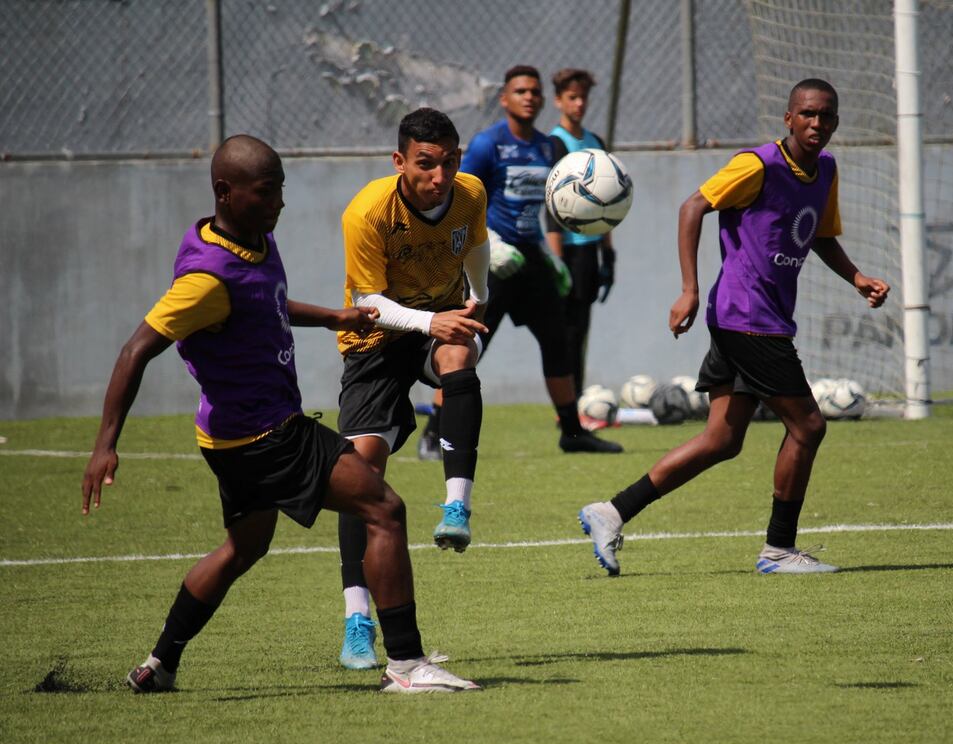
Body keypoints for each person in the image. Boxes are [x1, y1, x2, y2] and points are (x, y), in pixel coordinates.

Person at [81, 134, 479, 694]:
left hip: (226, 439)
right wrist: (105, 444)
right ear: (225, 191)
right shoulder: (205, 279)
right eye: (266, 192)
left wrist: (334, 317)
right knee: (385, 509)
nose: (279, 204)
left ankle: (159, 664)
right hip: (267, 435)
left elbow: (263, 302)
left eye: (281, 190)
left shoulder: (251, 240)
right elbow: (135, 350)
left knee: (243, 548)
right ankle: (408, 665)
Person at [578, 79, 890, 576]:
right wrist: (689, 289)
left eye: (826, 115)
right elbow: (692, 207)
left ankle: (611, 511)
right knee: (808, 426)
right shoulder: (757, 165)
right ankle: (779, 549)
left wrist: (856, 278)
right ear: (788, 118)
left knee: (722, 439)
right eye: (807, 114)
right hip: (748, 319)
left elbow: (819, 235)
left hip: (754, 319)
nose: (816, 123)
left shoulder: (825, 170)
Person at [333, 108, 491, 670]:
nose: (439, 176)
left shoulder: (471, 193)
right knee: (361, 473)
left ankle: (457, 507)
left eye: (449, 162)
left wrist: (478, 299)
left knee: (459, 355)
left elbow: (475, 244)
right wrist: (432, 321)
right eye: (426, 164)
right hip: (373, 342)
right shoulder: (368, 212)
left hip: (438, 325)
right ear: (400, 161)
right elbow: (368, 303)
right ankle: (357, 621)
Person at [418, 64, 622, 457]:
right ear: (504, 98)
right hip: (492, 261)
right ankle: (433, 432)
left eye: (534, 91)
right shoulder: (488, 144)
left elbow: (552, 206)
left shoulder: (547, 147)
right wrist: (489, 243)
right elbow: (459, 198)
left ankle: (573, 434)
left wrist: (551, 255)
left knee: (558, 342)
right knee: (467, 346)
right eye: (520, 91)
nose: (529, 97)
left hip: (530, 259)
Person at [545, 68, 618, 396]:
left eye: (583, 97)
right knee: (566, 332)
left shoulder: (595, 142)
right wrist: (557, 262)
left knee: (581, 330)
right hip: (567, 252)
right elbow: (552, 208)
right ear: (558, 101)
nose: (579, 104)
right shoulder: (554, 144)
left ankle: (577, 400)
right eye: (572, 97)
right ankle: (567, 405)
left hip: (589, 251)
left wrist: (608, 254)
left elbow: (608, 202)